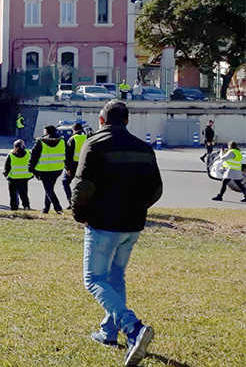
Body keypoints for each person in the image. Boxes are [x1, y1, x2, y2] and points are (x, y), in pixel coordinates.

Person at [71, 100, 162, 366]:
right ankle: (108, 332)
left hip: (103, 223)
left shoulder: (95, 144)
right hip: (132, 224)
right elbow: (156, 188)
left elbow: (82, 185)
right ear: (127, 121)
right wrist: (137, 208)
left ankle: (132, 327)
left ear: (101, 120)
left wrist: (80, 215)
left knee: (94, 279)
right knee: (115, 276)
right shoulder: (144, 148)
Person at [29, 125, 65, 214]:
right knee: (49, 188)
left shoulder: (40, 142)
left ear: (47, 132)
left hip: (43, 170)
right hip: (57, 169)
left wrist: (31, 167)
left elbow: (34, 156)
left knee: (49, 189)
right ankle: (46, 208)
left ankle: (58, 208)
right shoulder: (62, 141)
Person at [62, 123, 87, 208]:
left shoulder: (72, 139)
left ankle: (71, 202)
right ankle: (83, 203)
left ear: (73, 130)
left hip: (73, 165)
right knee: (82, 184)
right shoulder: (87, 138)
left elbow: (67, 155)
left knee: (65, 182)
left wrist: (67, 168)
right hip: (84, 164)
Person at [3, 139, 32, 210]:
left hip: (13, 178)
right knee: (24, 194)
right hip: (24, 178)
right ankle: (26, 206)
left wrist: (6, 174)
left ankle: (14, 208)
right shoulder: (28, 153)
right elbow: (32, 164)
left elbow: (7, 167)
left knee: (13, 195)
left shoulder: (11, 155)